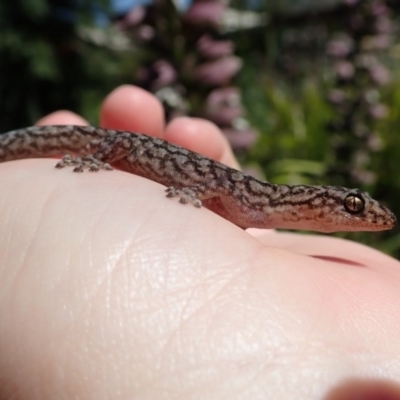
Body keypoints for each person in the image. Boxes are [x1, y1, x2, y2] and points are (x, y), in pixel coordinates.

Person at [1, 85, 399, 399]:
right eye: (353, 206)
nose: (360, 215)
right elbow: (214, 183)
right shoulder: (251, 198)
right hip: (110, 147)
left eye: (355, 206)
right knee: (123, 137)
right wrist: (100, 161)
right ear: (319, 204)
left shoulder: (257, 206)